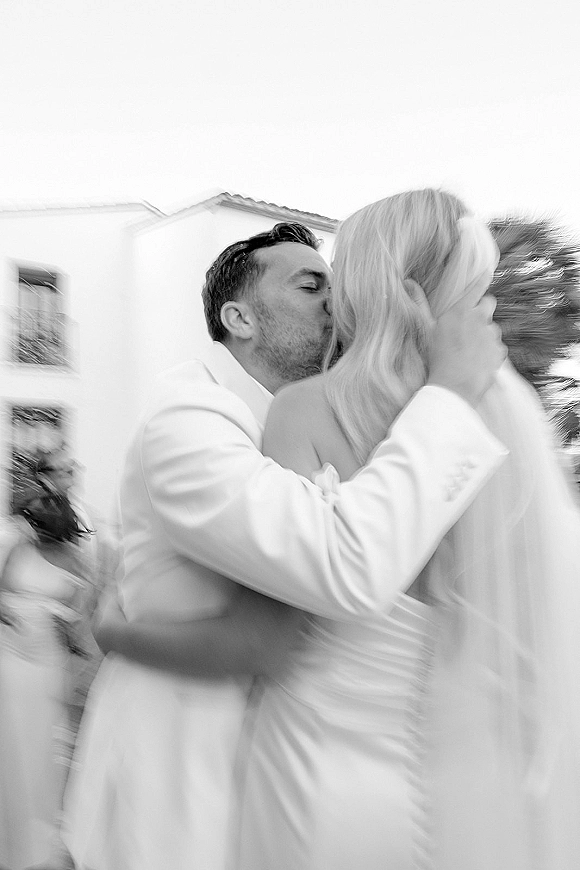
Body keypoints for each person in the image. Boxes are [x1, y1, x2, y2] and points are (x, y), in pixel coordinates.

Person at [62, 221, 506, 870]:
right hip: (178, 791)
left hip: (282, 778)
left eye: (337, 283)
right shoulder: (188, 418)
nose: (338, 299)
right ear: (239, 317)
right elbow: (339, 565)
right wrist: (450, 396)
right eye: (310, 284)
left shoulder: (304, 420)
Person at [229, 192, 580, 869]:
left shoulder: (302, 409)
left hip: (312, 760)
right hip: (448, 769)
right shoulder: (500, 409)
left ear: (365, 277)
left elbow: (270, 633)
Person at [0, 476, 92, 870]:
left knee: (41, 751)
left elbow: (79, 626)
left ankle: (38, 842)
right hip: (9, 660)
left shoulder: (78, 562)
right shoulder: (18, 549)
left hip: (46, 668)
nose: (35, 536)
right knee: (9, 748)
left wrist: (62, 621)